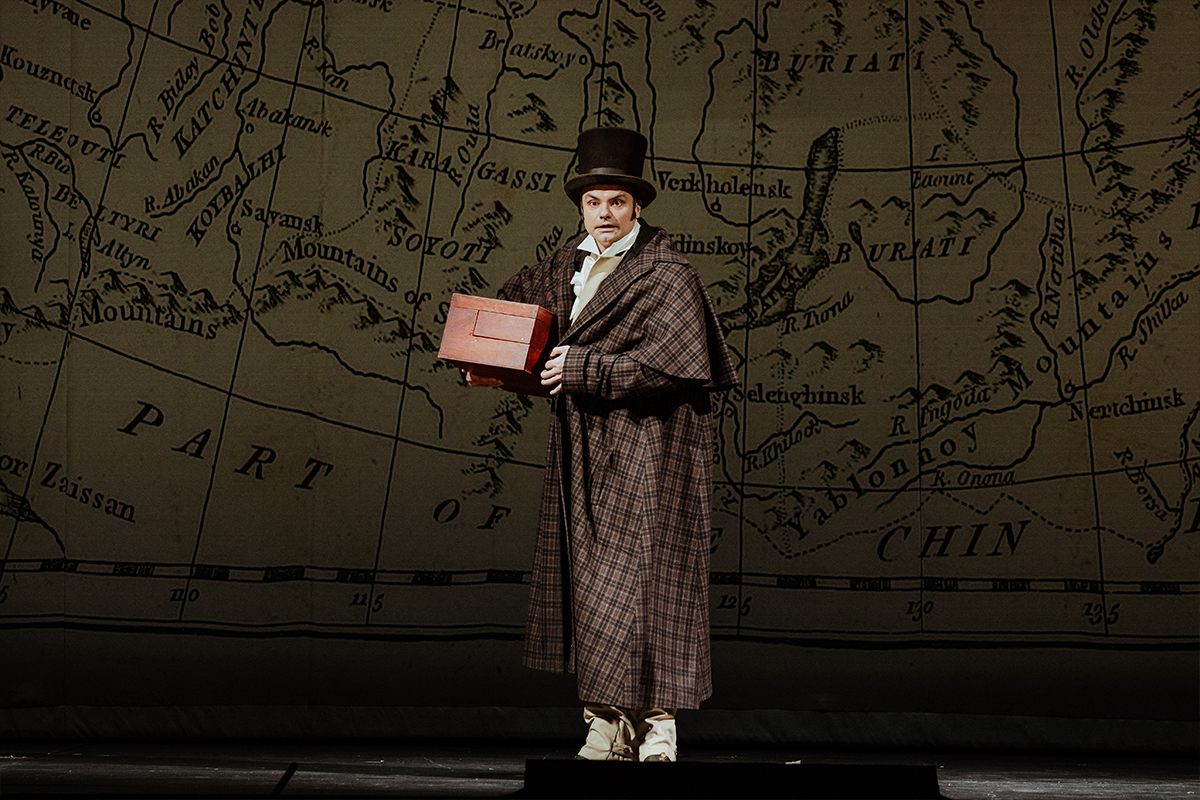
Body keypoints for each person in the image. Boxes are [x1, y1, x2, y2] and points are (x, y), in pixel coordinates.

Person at [465, 127, 738, 762]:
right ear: (581, 207)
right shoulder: (566, 265)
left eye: (617, 202)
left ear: (637, 206)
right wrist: (486, 356)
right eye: (594, 202)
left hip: (652, 447)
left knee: (652, 584)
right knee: (592, 586)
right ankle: (605, 726)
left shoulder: (667, 274)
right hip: (585, 446)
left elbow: (678, 367)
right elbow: (510, 314)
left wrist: (584, 368)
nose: (605, 214)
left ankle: (659, 730)